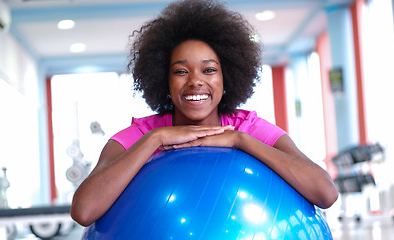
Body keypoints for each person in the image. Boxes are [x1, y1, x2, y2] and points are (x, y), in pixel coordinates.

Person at [70, 0, 338, 227]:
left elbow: (325, 193)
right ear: (165, 79)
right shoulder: (138, 135)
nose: (195, 81)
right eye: (181, 71)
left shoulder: (250, 128)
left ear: (226, 78)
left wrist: (240, 140)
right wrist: (157, 138)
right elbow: (84, 211)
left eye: (209, 70)